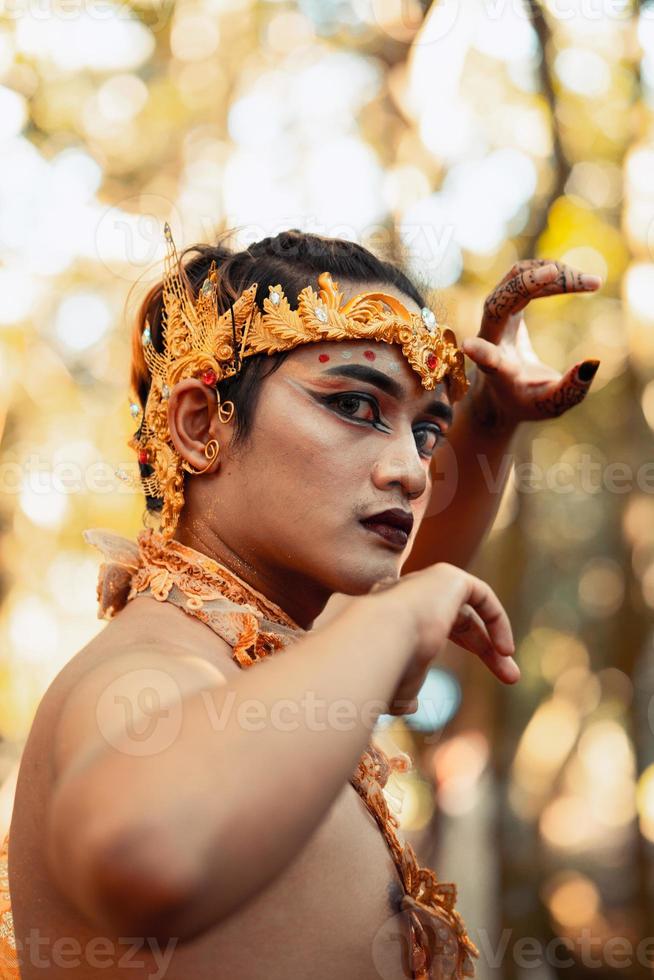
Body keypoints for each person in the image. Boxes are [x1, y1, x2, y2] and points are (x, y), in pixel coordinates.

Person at [0, 226, 601, 980]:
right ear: (198, 425)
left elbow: (412, 566)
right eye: (354, 404)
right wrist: (398, 614)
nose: (413, 474)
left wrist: (490, 419)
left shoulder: (262, 654)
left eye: (425, 432)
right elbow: (145, 852)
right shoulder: (146, 674)